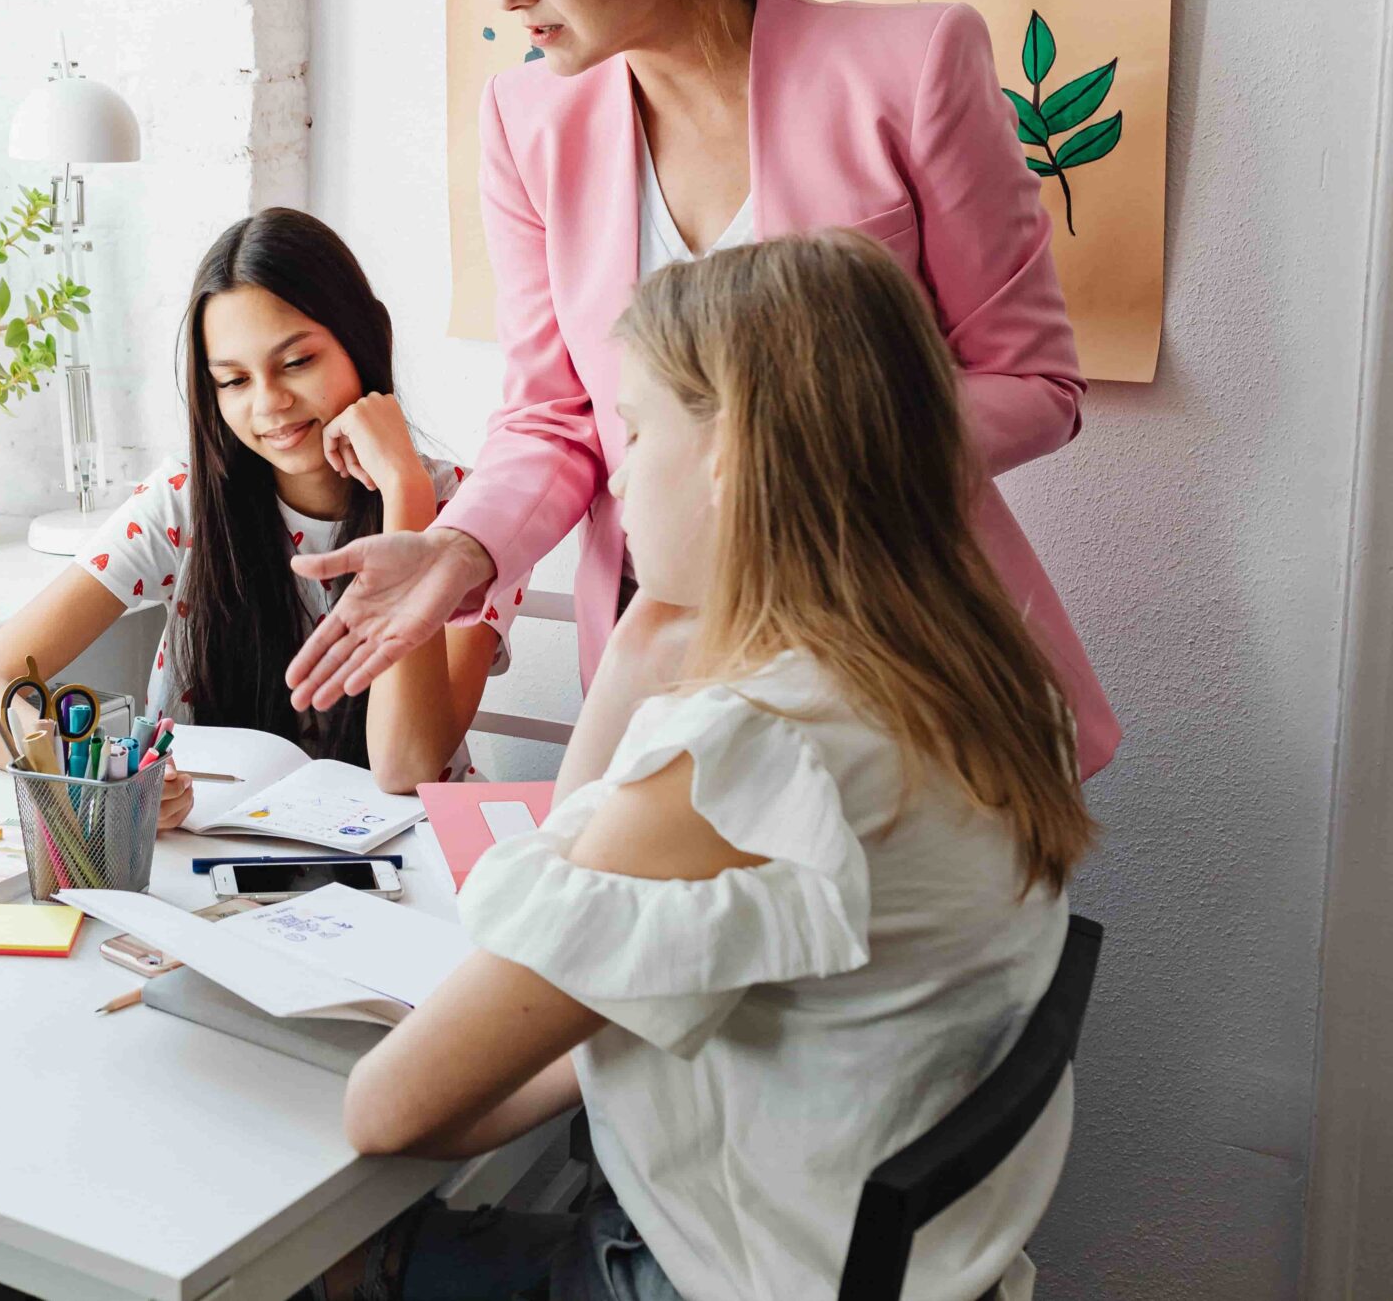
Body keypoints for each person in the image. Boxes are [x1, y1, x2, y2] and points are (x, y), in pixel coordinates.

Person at [285, 0, 1119, 794]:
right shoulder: (525, 120)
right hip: (665, 656)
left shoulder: (909, 66)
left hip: (895, 643)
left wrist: (787, 458)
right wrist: (462, 549)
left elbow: (1033, 384)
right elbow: (552, 417)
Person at [333, 233, 1093, 1300]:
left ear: (732, 449)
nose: (618, 471)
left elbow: (387, 1110)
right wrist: (655, 624)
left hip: (698, 1274)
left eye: (636, 430)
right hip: (880, 1264)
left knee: (318, 1255)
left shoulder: (758, 748)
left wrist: (649, 633)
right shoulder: (981, 672)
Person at [0, 209, 515, 809]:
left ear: (364, 340)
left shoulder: (471, 519)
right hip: (209, 863)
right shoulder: (183, 502)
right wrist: (91, 785)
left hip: (407, 867)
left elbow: (407, 767)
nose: (271, 405)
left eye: (296, 363)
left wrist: (405, 497)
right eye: (233, 381)